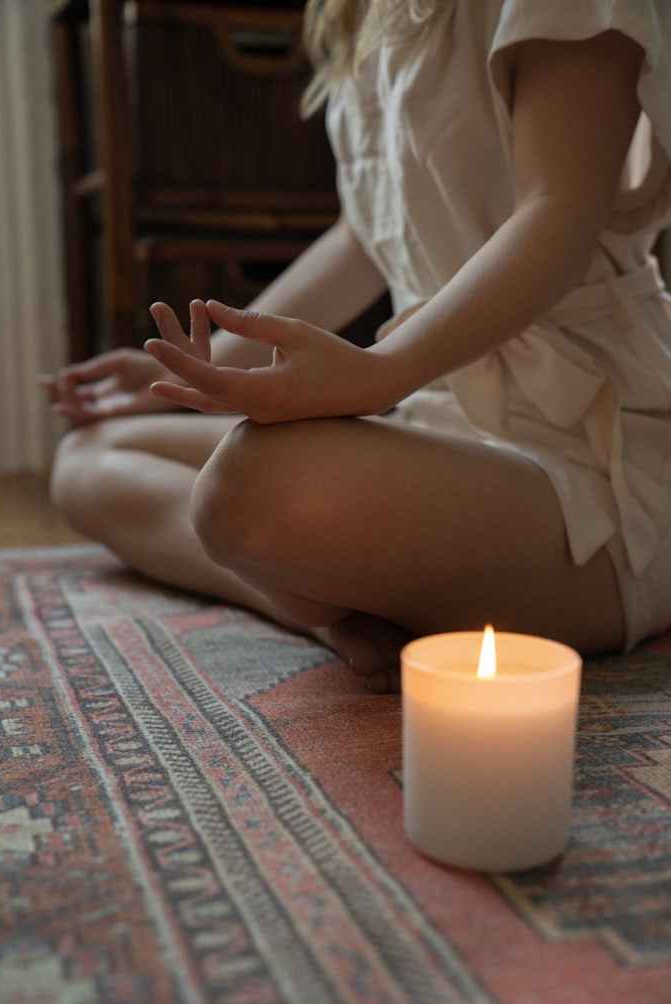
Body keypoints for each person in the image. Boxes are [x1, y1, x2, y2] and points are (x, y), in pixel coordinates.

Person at [44, 0, 671, 692]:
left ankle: (323, 582)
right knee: (90, 454)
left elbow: (557, 212)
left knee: (252, 484)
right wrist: (206, 367)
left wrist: (383, 373)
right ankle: (324, 615)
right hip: (434, 417)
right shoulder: (362, 13)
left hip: (585, 452)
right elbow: (363, 237)